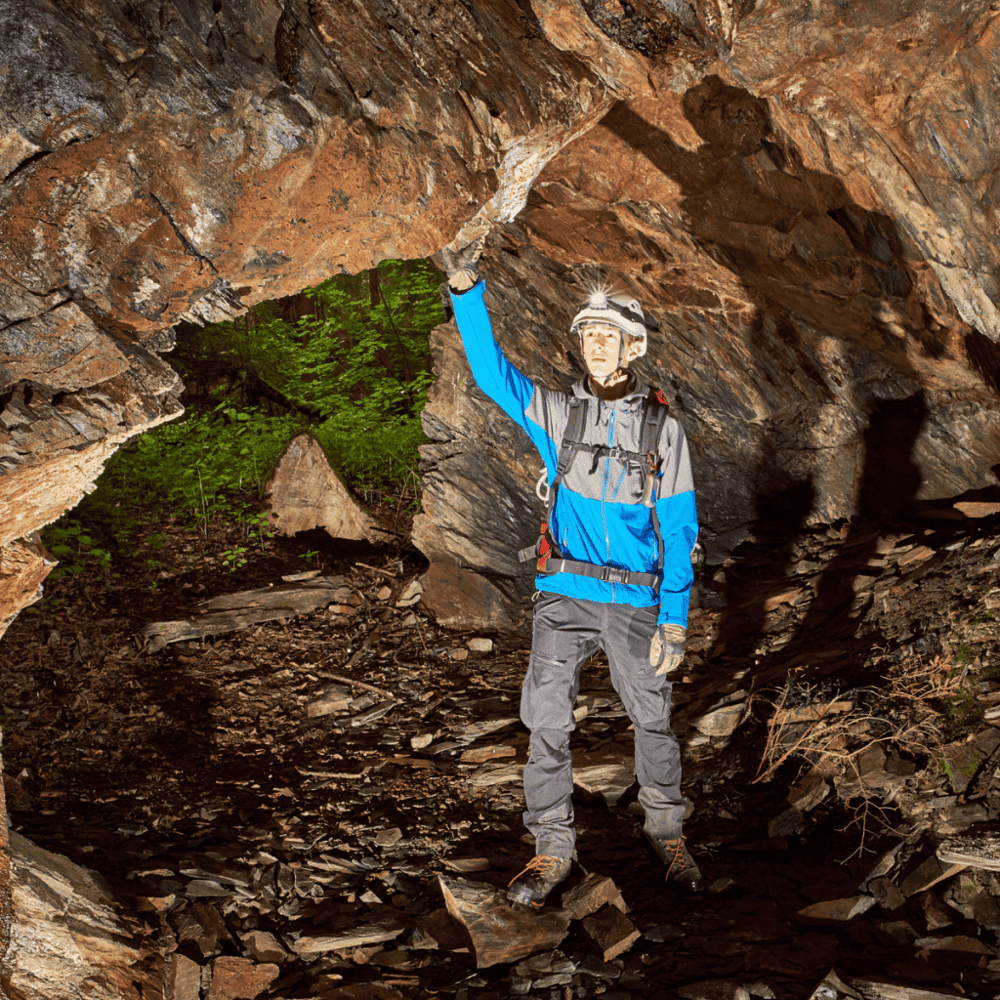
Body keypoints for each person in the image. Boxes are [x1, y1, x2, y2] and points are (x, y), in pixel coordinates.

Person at [443, 241, 700, 909]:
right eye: (588, 335)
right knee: (547, 721)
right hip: (564, 594)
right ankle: (552, 849)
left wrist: (674, 618)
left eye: (609, 336)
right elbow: (493, 376)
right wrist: (467, 292)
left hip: (639, 599)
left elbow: (678, 531)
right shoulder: (560, 415)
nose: (596, 346)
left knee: (652, 717)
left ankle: (668, 835)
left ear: (633, 347)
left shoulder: (663, 432)